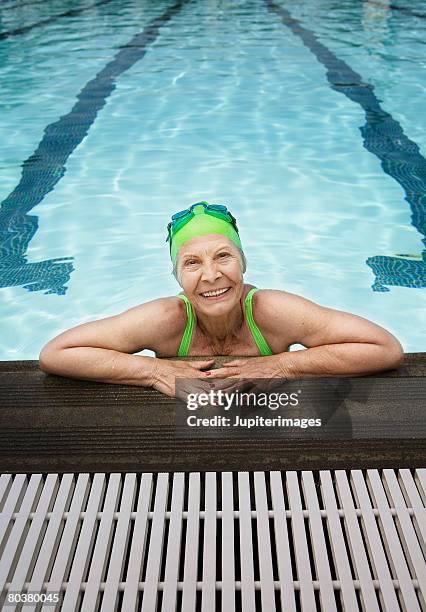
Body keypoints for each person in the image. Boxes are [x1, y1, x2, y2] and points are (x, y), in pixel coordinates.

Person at [39, 202, 404, 397]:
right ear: (177, 277)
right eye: (192, 263)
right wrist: (154, 371)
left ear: (243, 263)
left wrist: (283, 366)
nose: (211, 275)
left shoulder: (272, 311)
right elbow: (57, 354)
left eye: (223, 256)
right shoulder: (166, 318)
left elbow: (383, 347)